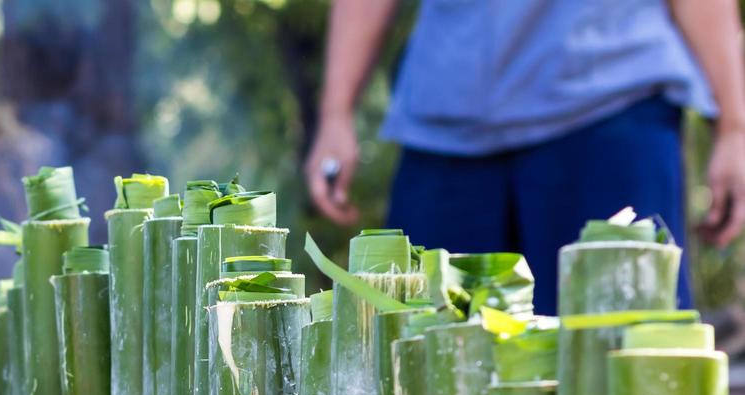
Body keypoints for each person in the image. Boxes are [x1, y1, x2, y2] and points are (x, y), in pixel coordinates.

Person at [305, 0, 745, 314]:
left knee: (622, 373)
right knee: (424, 371)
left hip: (610, 106)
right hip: (446, 123)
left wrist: (733, 125)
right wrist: (335, 113)